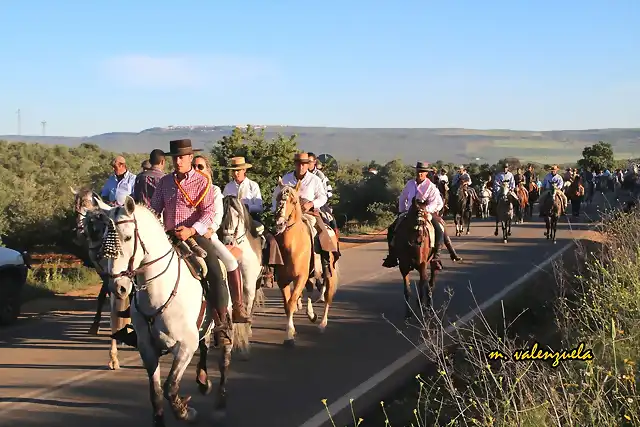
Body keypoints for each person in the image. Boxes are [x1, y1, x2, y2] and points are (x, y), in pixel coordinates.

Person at [150, 140, 250, 329]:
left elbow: (208, 214)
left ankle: (223, 322)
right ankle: (138, 318)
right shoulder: (164, 182)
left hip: (195, 236)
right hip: (168, 235)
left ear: (189, 157)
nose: (178, 161)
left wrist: (191, 230)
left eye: (181, 157)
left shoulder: (202, 182)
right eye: (174, 158)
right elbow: (154, 209)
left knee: (213, 268)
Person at [382, 161, 462, 270]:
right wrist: (402, 211)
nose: (420, 173)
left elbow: (437, 203)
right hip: (410, 212)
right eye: (418, 171)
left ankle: (436, 257)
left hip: (427, 213)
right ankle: (392, 256)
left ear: (426, 173)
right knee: (392, 228)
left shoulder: (431, 187)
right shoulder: (410, 184)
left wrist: (426, 211)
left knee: (439, 229)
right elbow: (403, 197)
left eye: (422, 172)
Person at [271, 152, 336, 268]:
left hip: (309, 213)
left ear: (308, 165)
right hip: (288, 215)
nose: (301, 167)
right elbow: (276, 196)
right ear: (295, 165)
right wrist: (276, 210)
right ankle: (273, 268)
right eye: (298, 164)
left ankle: (326, 264)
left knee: (324, 233)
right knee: (274, 235)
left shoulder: (314, 180)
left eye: (304, 164)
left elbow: (323, 197)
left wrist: (311, 203)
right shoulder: (286, 179)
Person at [222, 156, 264, 222]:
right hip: (231, 220)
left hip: (250, 218)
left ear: (244, 170)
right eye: (233, 171)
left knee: (259, 229)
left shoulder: (253, 185)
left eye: (238, 170)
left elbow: (259, 207)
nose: (235, 173)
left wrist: (246, 207)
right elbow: (223, 204)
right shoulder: (228, 187)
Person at [307, 152, 338, 235]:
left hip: (317, 202)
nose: (307, 164)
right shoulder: (301, 174)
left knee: (328, 219)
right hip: (302, 202)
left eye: (309, 161)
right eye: (305, 161)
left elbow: (324, 192)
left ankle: (331, 242)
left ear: (314, 162)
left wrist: (316, 202)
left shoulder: (319, 175)